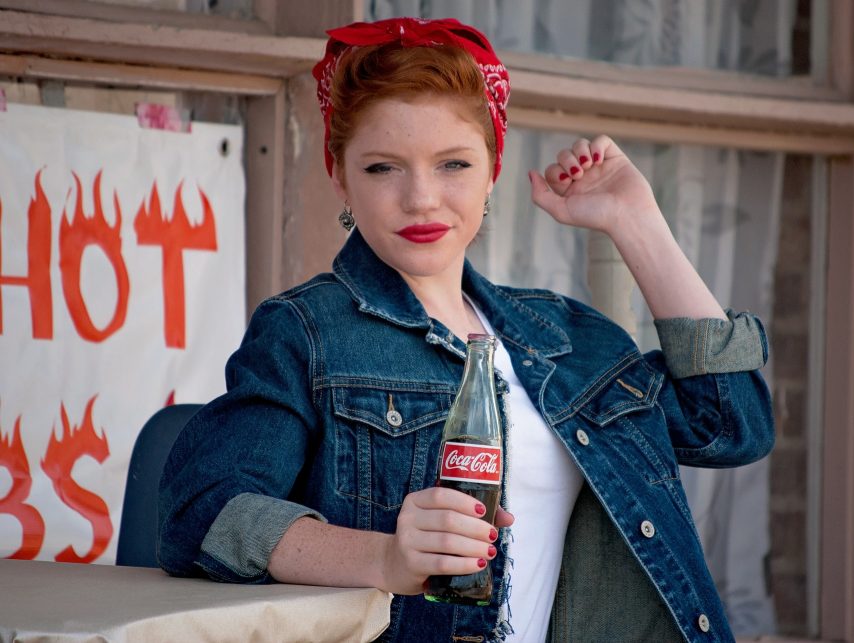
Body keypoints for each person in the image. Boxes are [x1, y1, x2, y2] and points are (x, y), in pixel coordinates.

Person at [157, 17, 774, 643]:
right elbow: (202, 510)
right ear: (339, 175)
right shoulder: (307, 332)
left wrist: (636, 222)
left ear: (492, 169)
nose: (421, 198)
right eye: (381, 169)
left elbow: (730, 424)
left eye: (453, 163)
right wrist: (384, 559)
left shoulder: (566, 336)